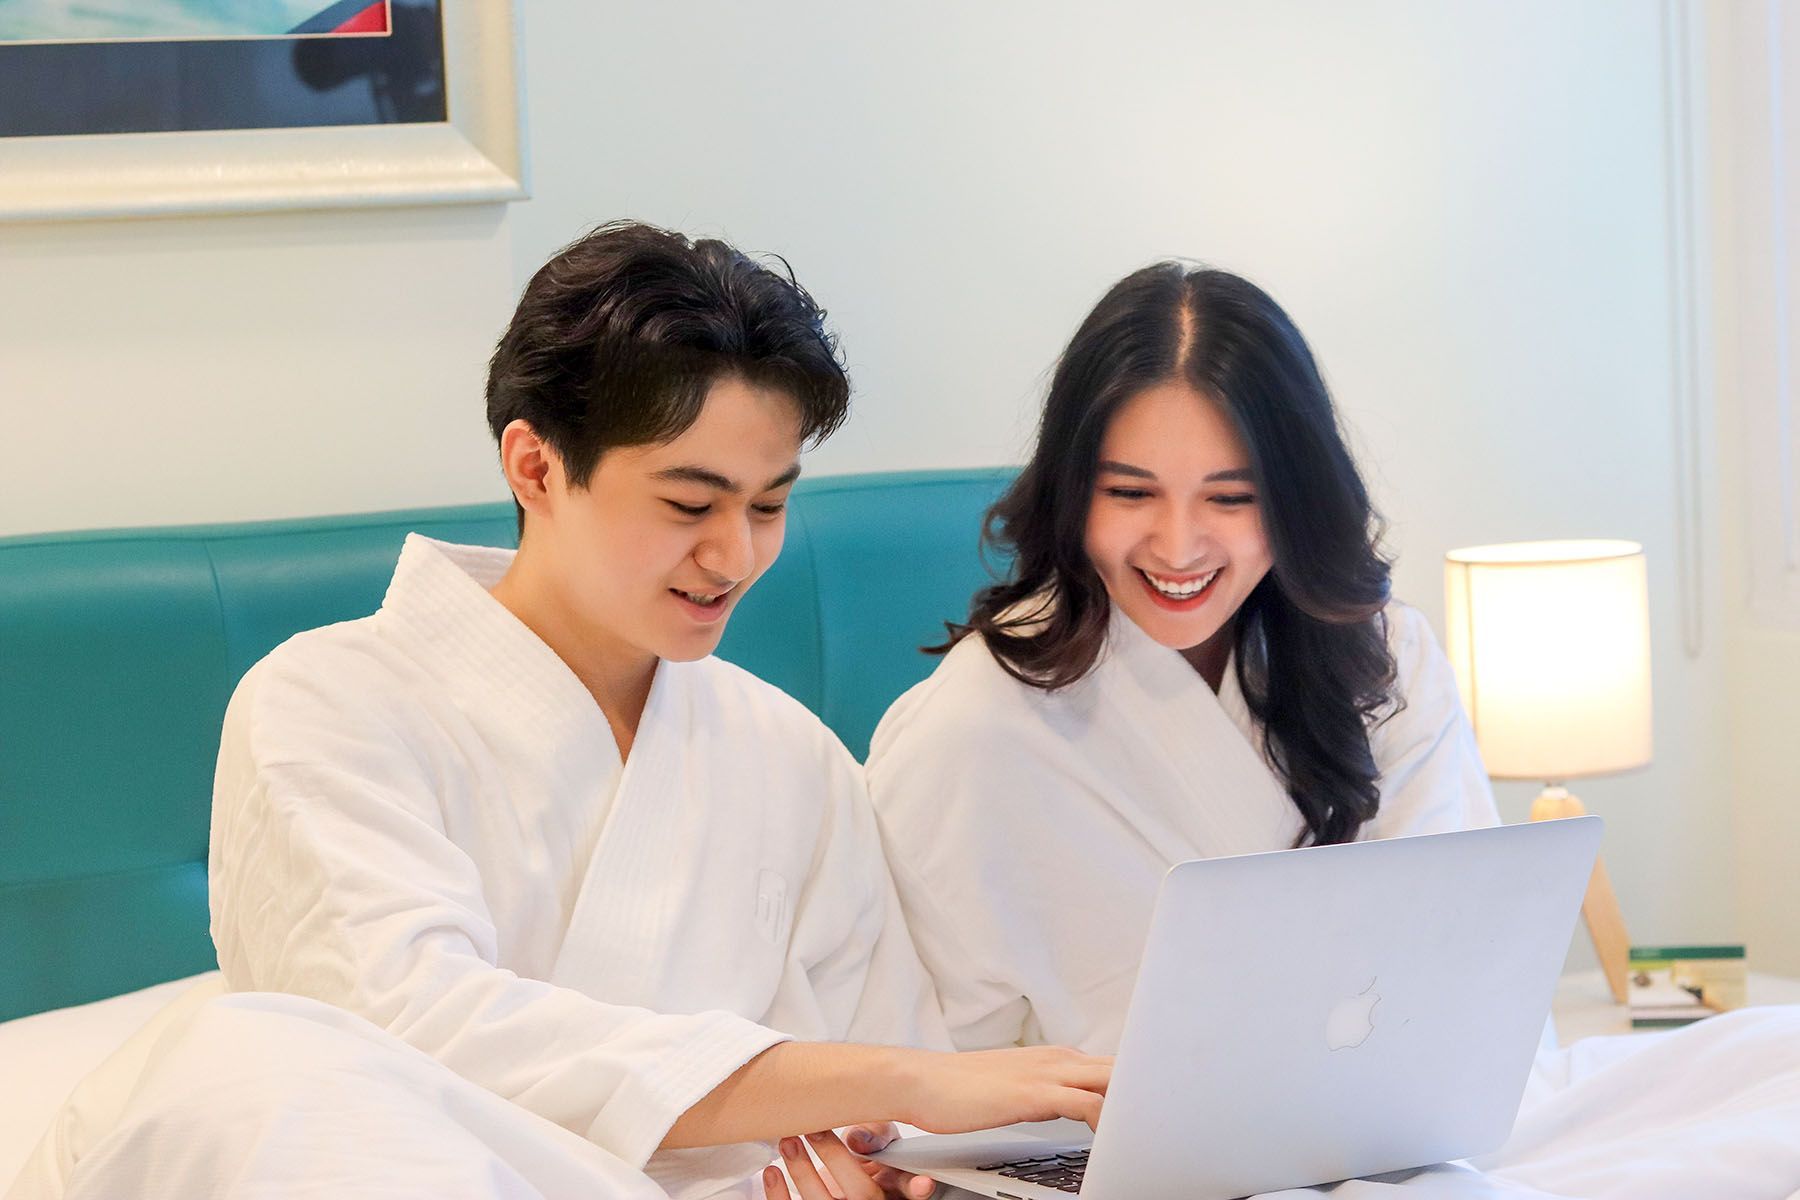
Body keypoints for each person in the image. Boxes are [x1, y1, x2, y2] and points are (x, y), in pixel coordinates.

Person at [15, 222, 1108, 1200]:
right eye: (689, 503)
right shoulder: (328, 706)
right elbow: (408, 1038)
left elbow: (889, 1095)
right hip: (396, 1171)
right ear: (535, 465)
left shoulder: (790, 756)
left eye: (769, 506)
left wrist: (882, 1163)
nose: (734, 556)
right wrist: (899, 1081)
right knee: (243, 1066)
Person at [863, 263, 1500, 1057]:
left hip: (1388, 1128)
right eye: (1130, 494)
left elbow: (1464, 955)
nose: (1177, 547)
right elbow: (917, 1063)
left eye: (1229, 499)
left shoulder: (1386, 655)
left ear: (1295, 498)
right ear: (1071, 492)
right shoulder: (973, 725)